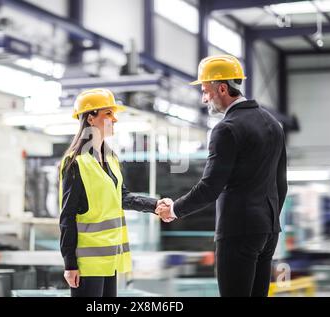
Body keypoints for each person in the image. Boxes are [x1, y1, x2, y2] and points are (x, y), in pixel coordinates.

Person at [156, 55, 288, 297]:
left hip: (238, 231)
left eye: (206, 91)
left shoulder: (227, 129)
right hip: (268, 231)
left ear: (223, 88)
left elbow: (210, 187)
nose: (205, 99)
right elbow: (281, 184)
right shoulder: (273, 124)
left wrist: (174, 209)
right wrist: (267, 222)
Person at [58, 88, 170, 297]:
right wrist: (69, 263)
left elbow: (122, 197)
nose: (115, 119)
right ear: (91, 118)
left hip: (110, 257)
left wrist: (154, 205)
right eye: (108, 113)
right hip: (87, 262)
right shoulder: (75, 163)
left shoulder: (110, 158)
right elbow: (67, 216)